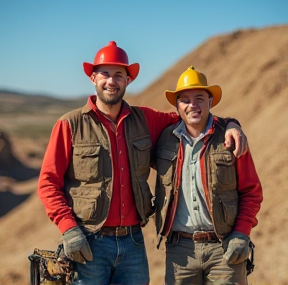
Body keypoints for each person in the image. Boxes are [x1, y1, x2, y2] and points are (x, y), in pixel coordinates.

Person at [38, 42, 247, 285]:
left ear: (128, 80)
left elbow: (192, 116)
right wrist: (68, 229)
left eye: (119, 75)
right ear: (93, 77)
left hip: (133, 244)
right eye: (105, 73)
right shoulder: (70, 125)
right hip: (88, 243)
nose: (112, 81)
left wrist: (231, 123)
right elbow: (48, 183)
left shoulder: (146, 120)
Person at [154, 66, 263, 285]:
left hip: (224, 248)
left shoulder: (231, 139)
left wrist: (241, 233)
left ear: (210, 102)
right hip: (179, 252)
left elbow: (252, 192)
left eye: (199, 98)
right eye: (184, 99)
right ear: (176, 105)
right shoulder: (165, 138)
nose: (192, 105)